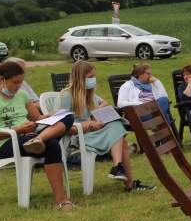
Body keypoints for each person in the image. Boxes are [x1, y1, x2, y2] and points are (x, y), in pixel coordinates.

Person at [60, 61, 155, 191]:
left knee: (119, 132)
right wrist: (90, 124)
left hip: (94, 133)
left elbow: (104, 102)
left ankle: (122, 173)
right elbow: (63, 126)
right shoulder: (67, 96)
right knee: (121, 136)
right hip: (78, 138)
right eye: (89, 77)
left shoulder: (89, 94)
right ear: (79, 78)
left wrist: (98, 111)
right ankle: (123, 176)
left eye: (94, 77)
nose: (93, 80)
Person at [0, 61, 75, 209]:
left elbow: (38, 119)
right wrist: (18, 130)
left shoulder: (22, 95)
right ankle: (62, 200)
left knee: (68, 117)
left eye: (21, 83)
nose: (18, 86)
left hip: (29, 136)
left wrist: (53, 115)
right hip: (5, 143)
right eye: (15, 82)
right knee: (53, 144)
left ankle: (39, 139)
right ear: (2, 80)